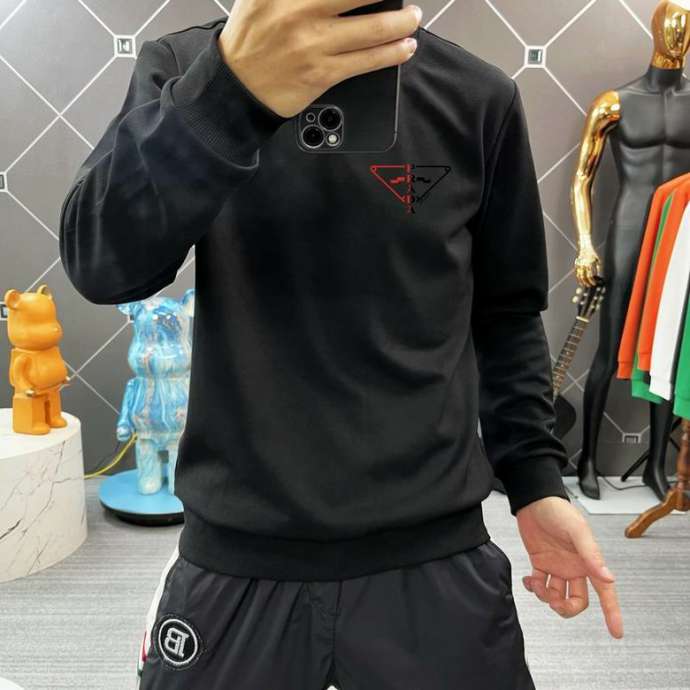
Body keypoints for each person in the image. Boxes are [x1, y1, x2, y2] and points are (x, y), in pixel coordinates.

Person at [59, 1, 624, 688]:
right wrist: (230, 92)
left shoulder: (478, 97)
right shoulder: (188, 69)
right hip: (239, 550)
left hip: (433, 552)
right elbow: (103, 265)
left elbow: (506, 314)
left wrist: (536, 483)